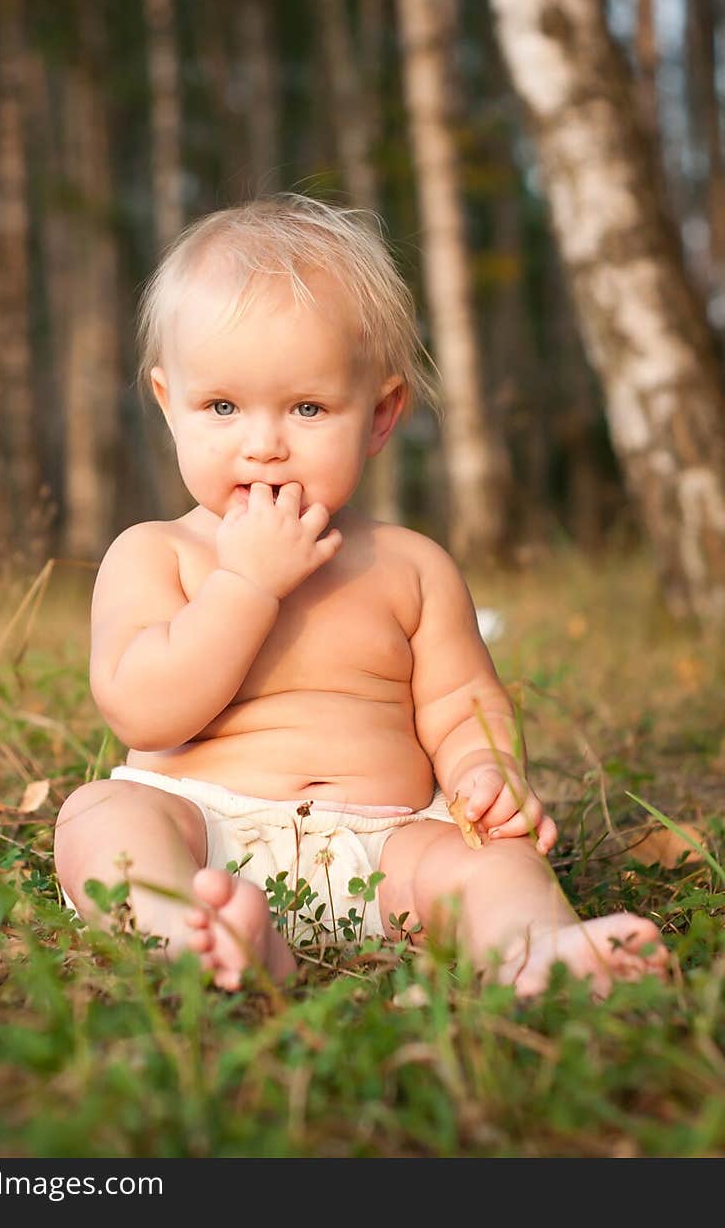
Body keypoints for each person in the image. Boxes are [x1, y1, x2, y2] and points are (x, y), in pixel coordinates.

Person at [54, 193, 667, 997]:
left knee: (493, 860)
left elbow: (460, 704)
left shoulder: (410, 567)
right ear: (171, 406)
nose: (264, 444)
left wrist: (487, 770)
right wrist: (245, 585)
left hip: (390, 850)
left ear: (379, 417)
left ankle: (533, 951)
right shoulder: (155, 553)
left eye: (307, 408)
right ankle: (191, 936)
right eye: (223, 407)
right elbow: (143, 713)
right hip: (202, 832)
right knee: (103, 815)